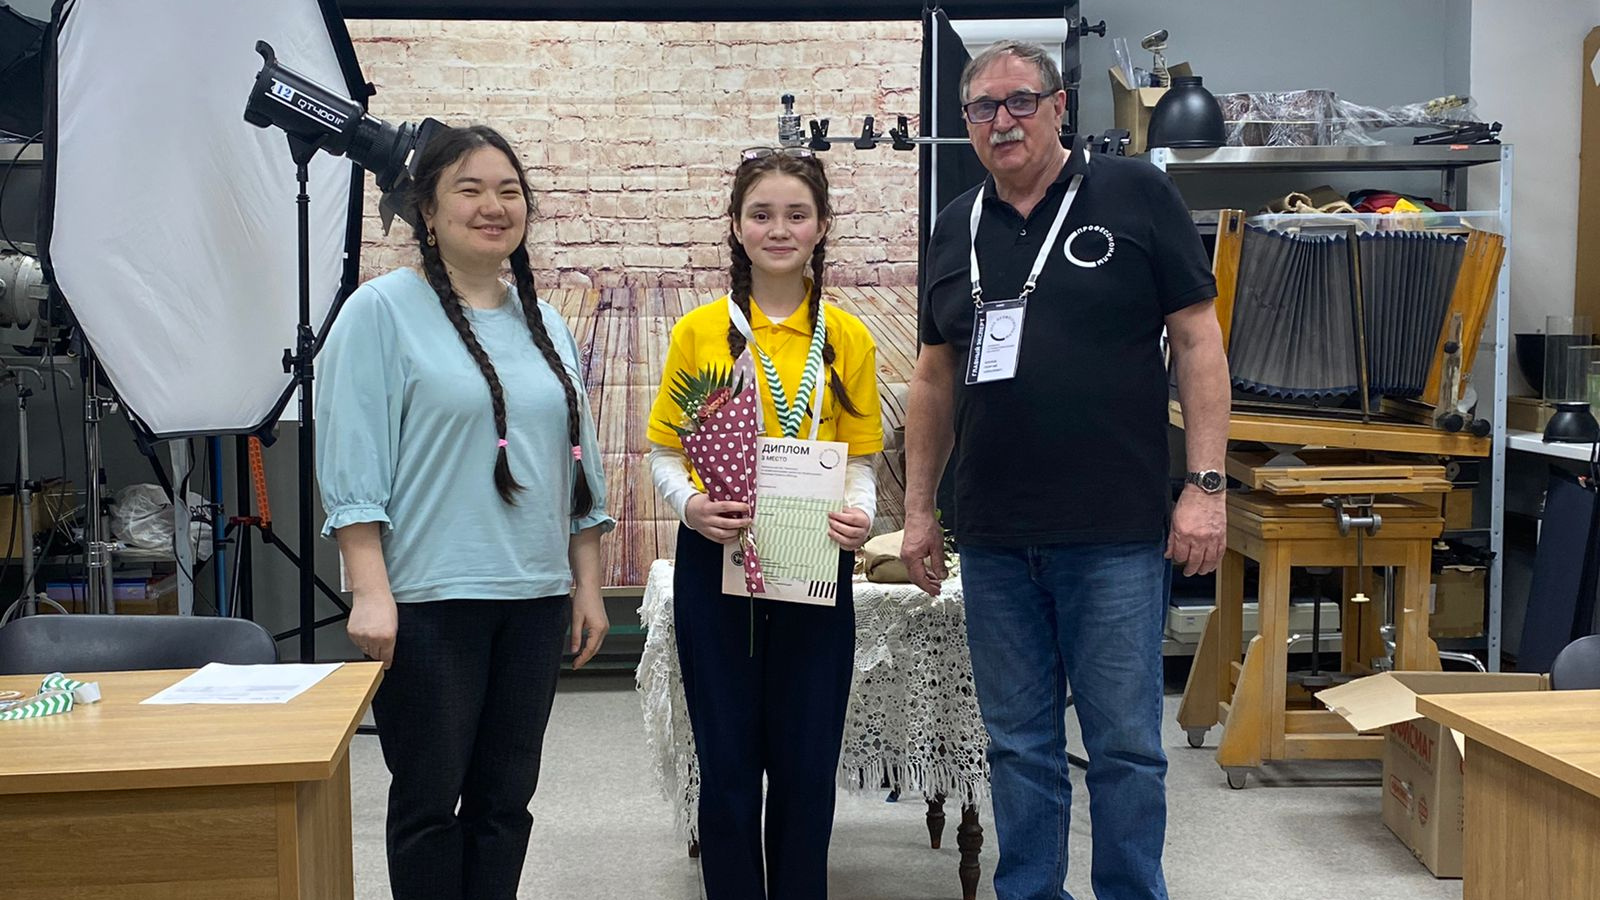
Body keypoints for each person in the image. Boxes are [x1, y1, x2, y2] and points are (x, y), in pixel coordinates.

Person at [899, 41, 1230, 900]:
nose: (1002, 121)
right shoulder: (956, 224)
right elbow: (933, 378)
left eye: (1020, 101)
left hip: (1115, 533)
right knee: (1018, 746)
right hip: (996, 537)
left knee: (1125, 747)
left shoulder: (1136, 195)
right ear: (966, 122)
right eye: (982, 108)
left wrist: (1205, 486)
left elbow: (1198, 341)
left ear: (1058, 107)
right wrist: (919, 509)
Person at [315, 124, 613, 900]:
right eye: (470, 189)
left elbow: (577, 465)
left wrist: (586, 585)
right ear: (428, 209)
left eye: (509, 191)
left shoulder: (544, 323)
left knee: (505, 804)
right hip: (429, 604)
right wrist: (369, 590)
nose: (493, 206)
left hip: (535, 600)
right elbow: (353, 460)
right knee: (428, 804)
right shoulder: (380, 311)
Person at [645, 147, 884, 900]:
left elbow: (861, 461)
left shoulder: (847, 337)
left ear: (821, 227)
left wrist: (861, 513)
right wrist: (690, 507)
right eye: (761, 214)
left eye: (796, 214)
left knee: (807, 765)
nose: (779, 230)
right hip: (715, 557)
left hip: (814, 560)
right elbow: (664, 453)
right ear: (736, 227)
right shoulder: (700, 333)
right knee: (727, 763)